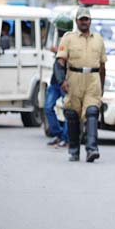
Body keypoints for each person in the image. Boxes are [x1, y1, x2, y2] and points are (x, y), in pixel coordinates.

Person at [55, 7, 107, 162]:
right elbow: (60, 62)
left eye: (86, 19)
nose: (84, 22)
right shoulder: (68, 38)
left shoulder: (98, 39)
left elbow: (103, 66)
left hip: (93, 80)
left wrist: (102, 85)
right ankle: (74, 149)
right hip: (74, 79)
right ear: (76, 21)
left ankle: (92, 149)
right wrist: (61, 81)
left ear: (90, 21)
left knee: (92, 112)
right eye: (81, 19)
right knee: (72, 115)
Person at [45, 16, 73, 148]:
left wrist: (57, 51)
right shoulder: (60, 40)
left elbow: (66, 58)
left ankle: (66, 138)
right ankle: (58, 134)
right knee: (48, 107)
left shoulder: (70, 41)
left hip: (65, 81)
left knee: (67, 109)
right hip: (55, 80)